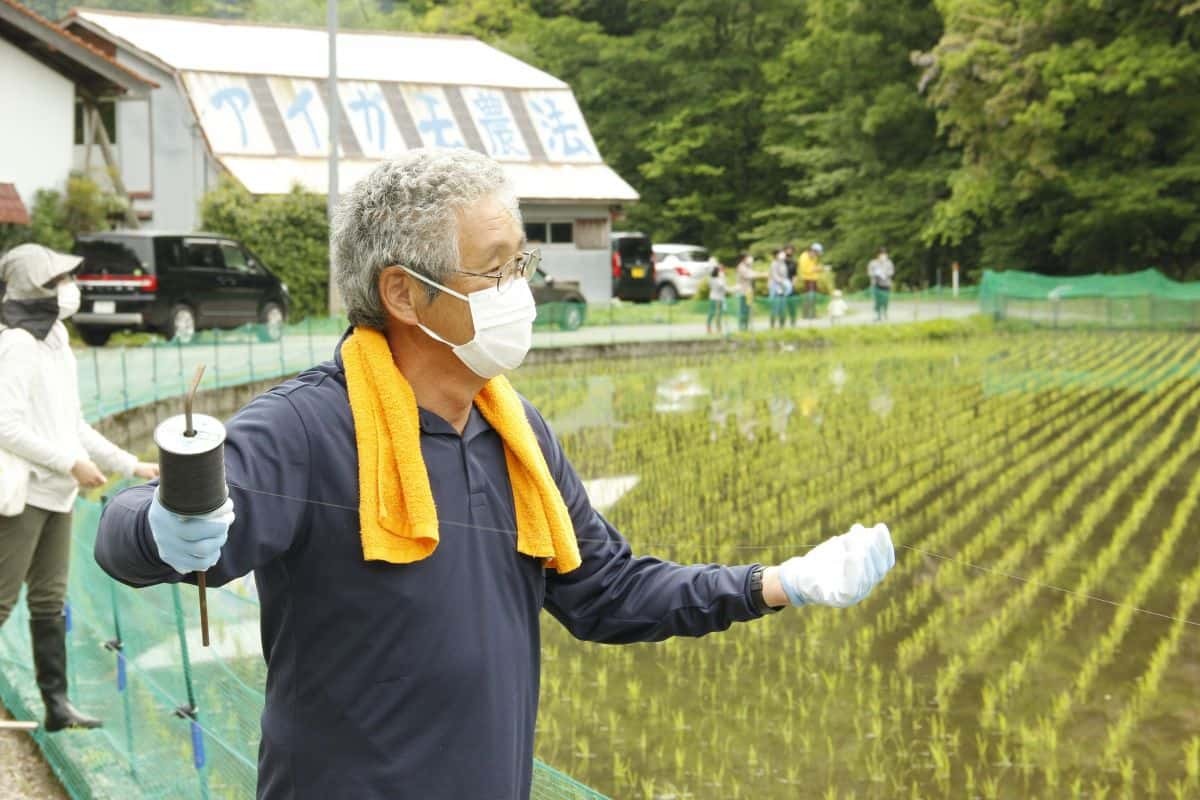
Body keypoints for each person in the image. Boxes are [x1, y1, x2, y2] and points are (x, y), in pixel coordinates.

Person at [93, 149, 895, 800]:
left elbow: (607, 592)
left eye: (523, 264)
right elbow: (124, 535)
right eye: (497, 269)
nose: (523, 291)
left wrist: (776, 582)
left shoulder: (516, 433)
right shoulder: (312, 426)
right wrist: (169, 522)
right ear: (403, 294)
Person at [0, 244, 158, 732]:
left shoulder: (57, 341)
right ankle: (57, 703)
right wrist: (70, 463)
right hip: (24, 496)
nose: (70, 289)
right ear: (32, 289)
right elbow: (5, 426)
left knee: (49, 601)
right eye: (57, 282)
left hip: (59, 497)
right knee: (2, 601)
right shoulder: (17, 345)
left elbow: (73, 424)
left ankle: (57, 705)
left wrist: (132, 465)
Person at [868, 246, 895, 321]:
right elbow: (870, 272)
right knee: (877, 301)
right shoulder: (873, 263)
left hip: (886, 285)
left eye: (884, 254)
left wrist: (885, 273)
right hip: (876, 285)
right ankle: (878, 315)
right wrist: (876, 273)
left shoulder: (889, 262)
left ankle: (885, 313)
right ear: (878, 255)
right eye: (881, 254)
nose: (883, 256)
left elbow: (892, 272)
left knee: (886, 300)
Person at [767, 248, 791, 329]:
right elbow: (774, 276)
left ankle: (782, 326)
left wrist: (786, 283)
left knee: (783, 308)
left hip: (783, 288)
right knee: (775, 308)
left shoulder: (783, 263)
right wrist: (781, 282)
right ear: (777, 255)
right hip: (775, 288)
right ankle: (772, 326)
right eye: (781, 253)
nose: (783, 255)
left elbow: (785, 275)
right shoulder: (774, 264)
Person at [799, 242, 824, 320]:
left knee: (813, 298)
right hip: (807, 280)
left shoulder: (814, 257)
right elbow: (804, 270)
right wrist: (816, 269)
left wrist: (818, 268)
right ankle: (806, 314)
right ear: (813, 251)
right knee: (808, 297)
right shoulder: (804, 257)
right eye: (817, 253)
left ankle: (813, 314)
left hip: (814, 280)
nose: (817, 255)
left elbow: (813, 267)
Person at [735, 252, 757, 331]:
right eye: (748, 257)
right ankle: (742, 327)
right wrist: (761, 275)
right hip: (743, 292)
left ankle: (746, 326)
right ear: (743, 258)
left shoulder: (747, 267)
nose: (749, 259)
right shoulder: (741, 267)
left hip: (748, 291)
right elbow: (749, 275)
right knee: (743, 310)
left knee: (748, 309)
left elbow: (753, 273)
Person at [706, 262, 727, 334]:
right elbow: (722, 286)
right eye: (721, 269)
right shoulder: (716, 279)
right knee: (713, 313)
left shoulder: (713, 278)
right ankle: (710, 328)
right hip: (716, 298)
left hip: (717, 297)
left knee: (718, 314)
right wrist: (722, 276)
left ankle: (717, 328)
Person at [782, 243, 798, 326]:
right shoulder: (781, 261)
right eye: (787, 249)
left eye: (791, 250)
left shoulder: (794, 262)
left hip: (790, 284)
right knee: (782, 304)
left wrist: (793, 284)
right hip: (781, 285)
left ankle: (793, 321)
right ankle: (782, 322)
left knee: (791, 304)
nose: (789, 251)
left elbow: (795, 275)